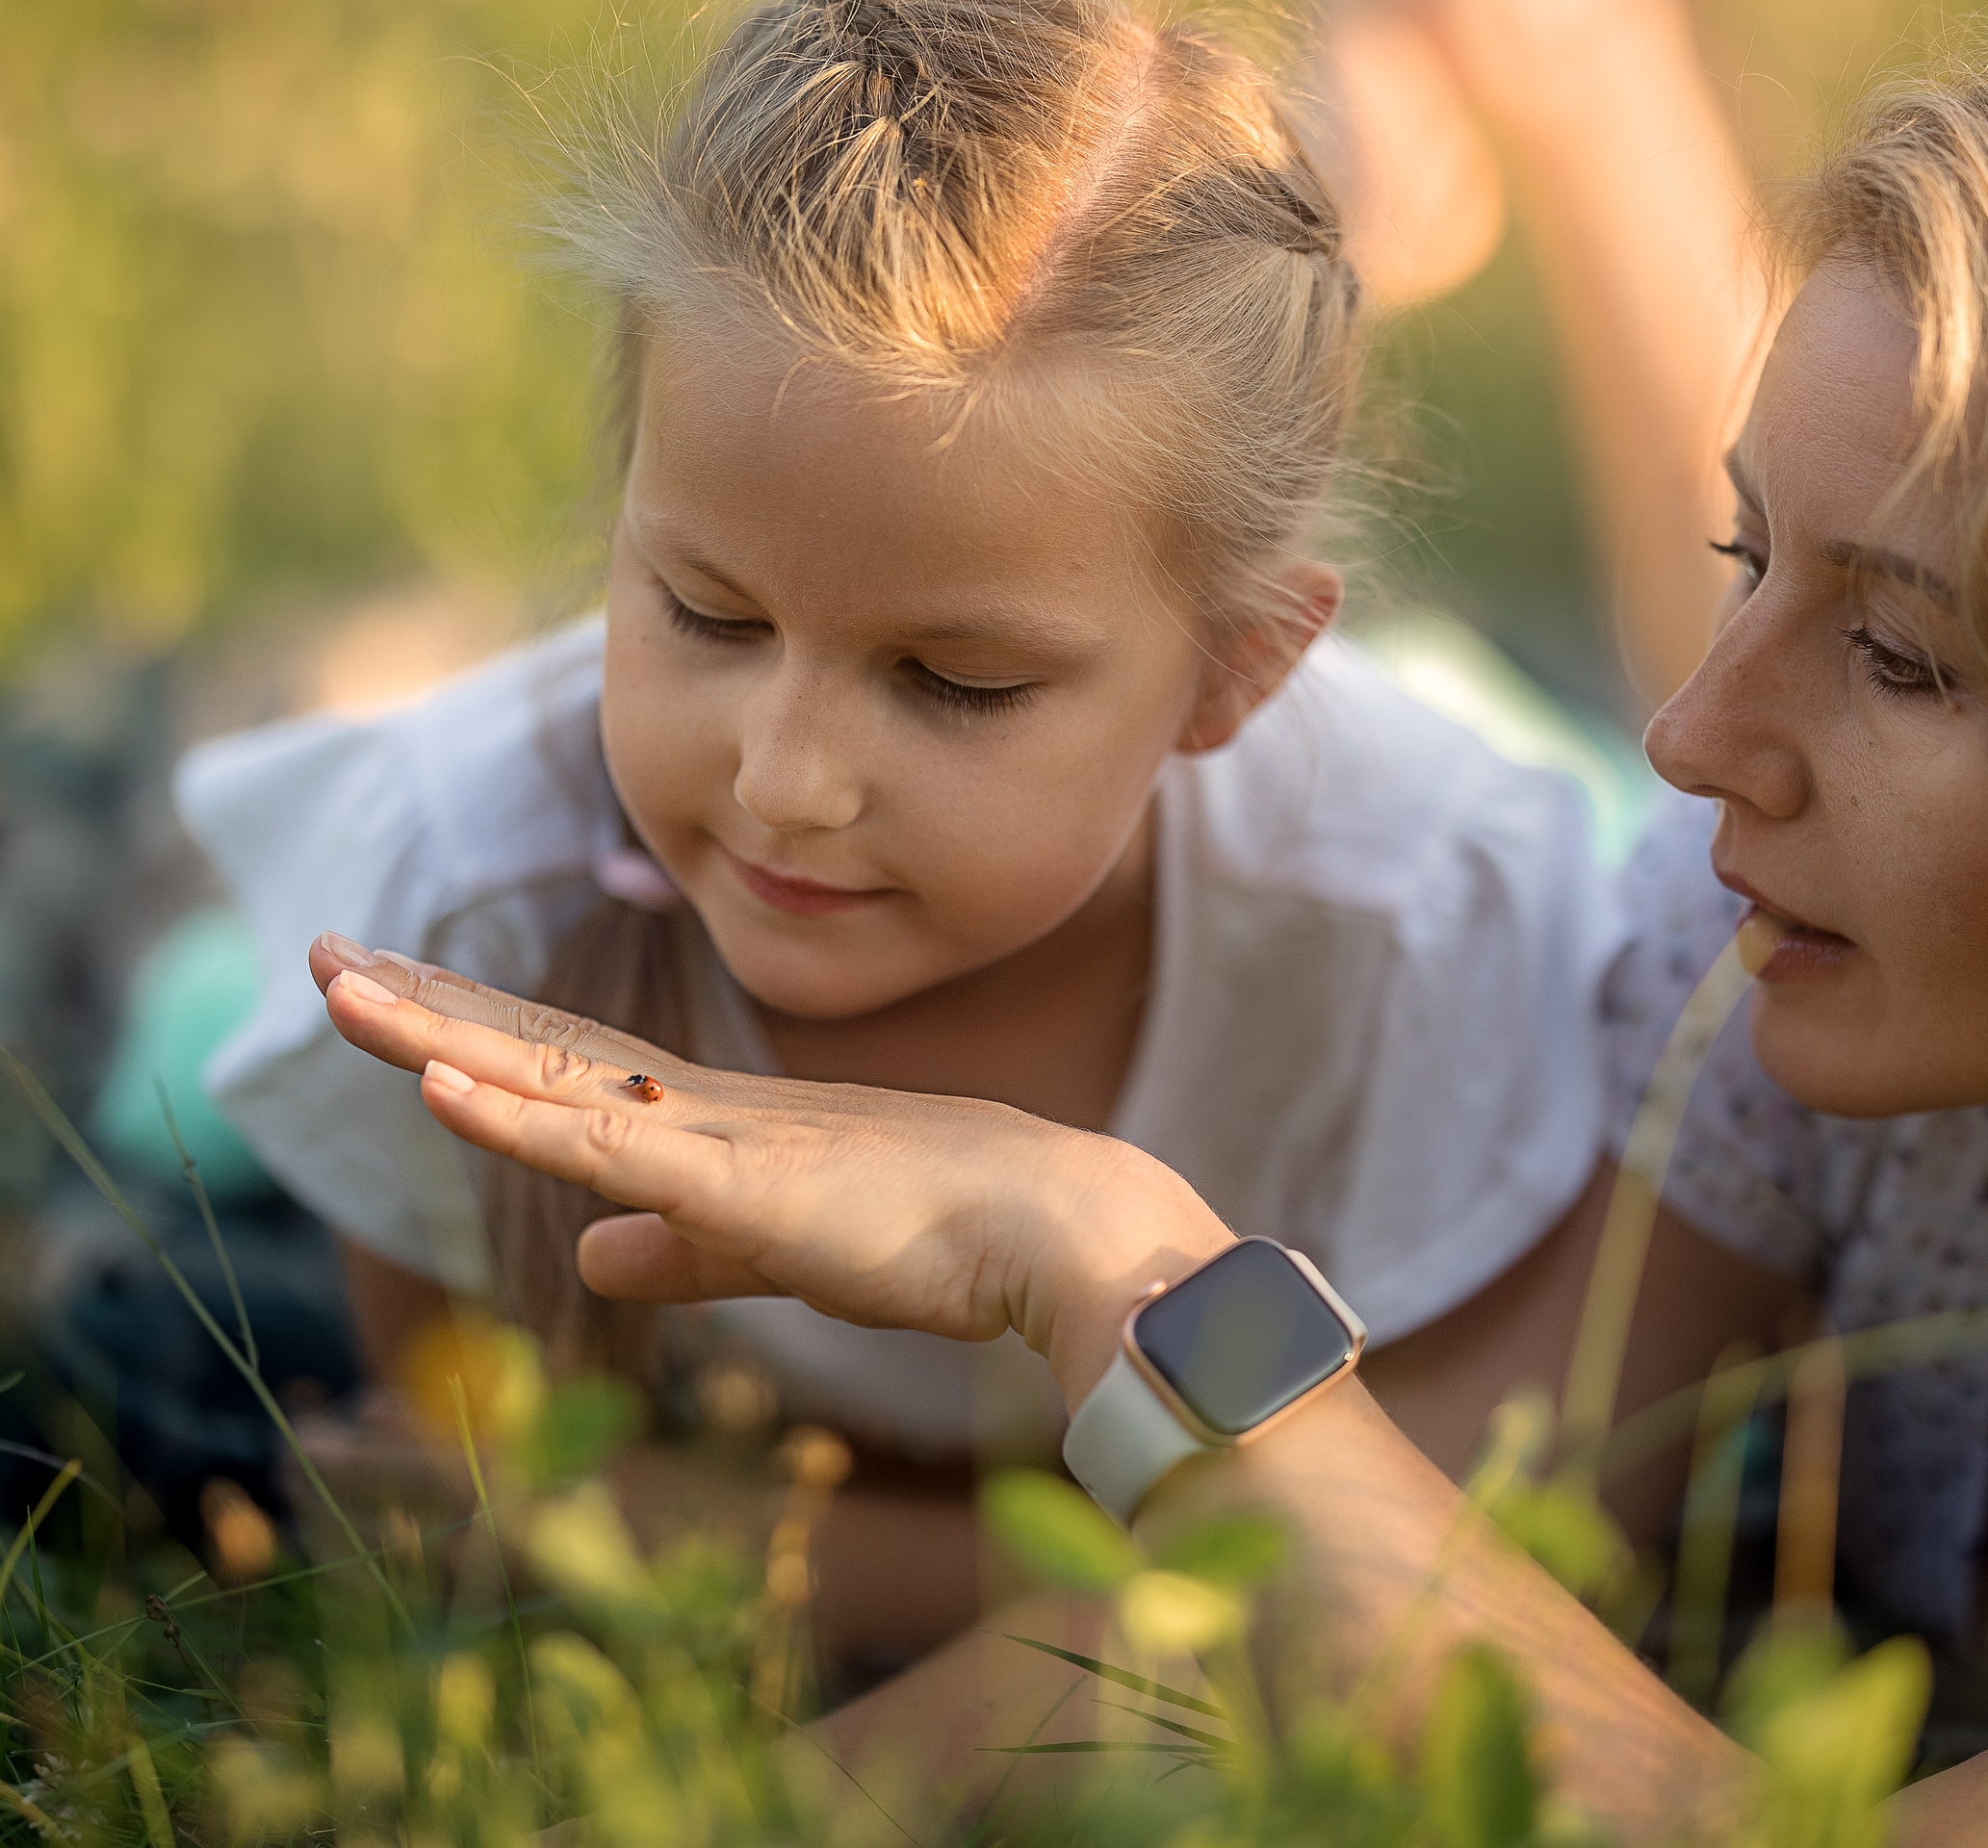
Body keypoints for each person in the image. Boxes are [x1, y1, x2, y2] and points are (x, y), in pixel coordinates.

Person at [306, 5, 1988, 1838]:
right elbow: (1364, 1592)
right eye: (1742, 564)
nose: (1694, 737)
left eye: (1897, 659)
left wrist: (1121, 1266)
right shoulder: (1781, 1011)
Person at [173, 0, 1759, 1656]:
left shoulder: (1415, 951)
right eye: (709, 612)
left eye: (956, 682)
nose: (785, 781)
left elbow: (1426, 1559)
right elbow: (472, 1475)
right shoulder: (463, 896)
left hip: (1486, 758)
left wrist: (749, 1543)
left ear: (1235, 673)